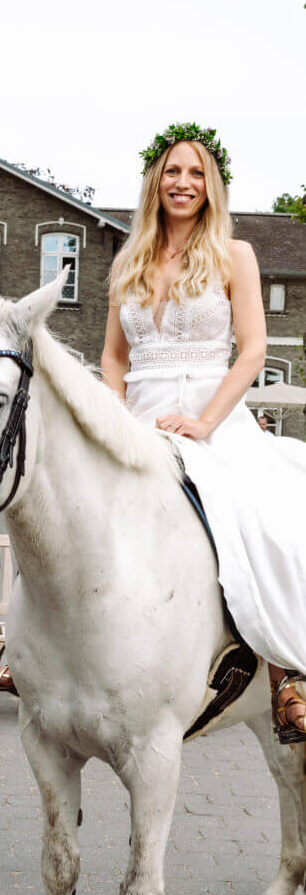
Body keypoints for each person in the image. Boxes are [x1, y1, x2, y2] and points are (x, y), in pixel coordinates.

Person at [100, 123, 306, 742]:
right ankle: (25, 655)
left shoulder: (233, 255)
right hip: (139, 417)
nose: (182, 183)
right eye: (172, 172)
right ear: (154, 183)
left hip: (212, 415)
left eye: (195, 174)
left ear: (210, 186)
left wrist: (205, 422)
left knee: (264, 516)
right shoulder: (128, 258)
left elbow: (253, 351)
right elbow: (113, 357)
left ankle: (287, 672)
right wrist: (114, 418)